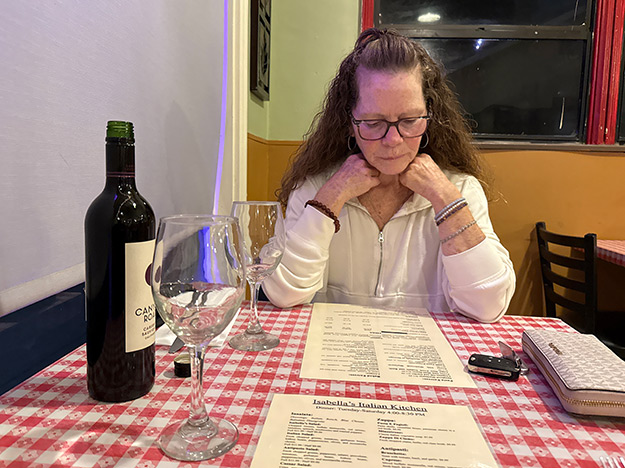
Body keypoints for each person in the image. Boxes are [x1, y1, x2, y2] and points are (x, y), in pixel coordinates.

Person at [263, 28, 515, 323]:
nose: (393, 140)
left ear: (430, 117)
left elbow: (487, 306)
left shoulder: (461, 189)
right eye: (373, 122)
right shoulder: (315, 189)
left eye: (410, 120)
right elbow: (282, 293)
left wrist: (445, 198)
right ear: (349, 123)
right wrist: (332, 196)